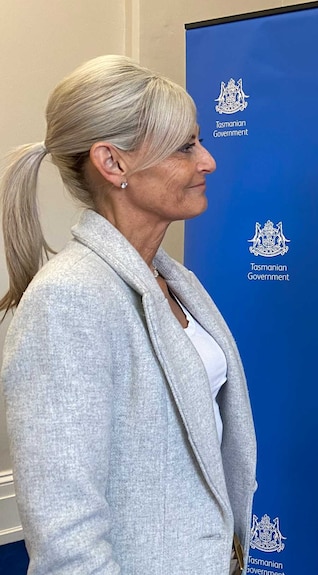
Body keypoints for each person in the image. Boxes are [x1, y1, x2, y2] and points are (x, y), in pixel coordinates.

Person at [0, 55, 257, 575]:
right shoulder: (69, 299)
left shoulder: (178, 282)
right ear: (112, 163)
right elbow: (65, 536)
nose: (207, 161)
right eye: (185, 147)